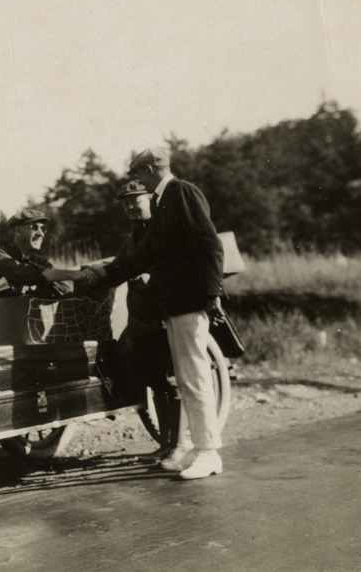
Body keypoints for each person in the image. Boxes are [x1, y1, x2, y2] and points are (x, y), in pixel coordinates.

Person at [123, 147, 225, 480]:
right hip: (174, 304)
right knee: (186, 378)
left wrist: (213, 293)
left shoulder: (181, 192)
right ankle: (199, 449)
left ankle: (208, 452)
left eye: (137, 172)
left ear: (150, 169)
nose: (136, 179)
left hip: (190, 302)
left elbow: (210, 244)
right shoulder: (161, 201)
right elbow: (149, 256)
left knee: (194, 377)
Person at [88, 180, 183, 460]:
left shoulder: (163, 230)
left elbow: (178, 266)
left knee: (169, 382)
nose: (130, 206)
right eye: (126, 203)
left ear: (150, 200)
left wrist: (153, 276)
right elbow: (118, 268)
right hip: (141, 321)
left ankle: (178, 446)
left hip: (163, 319)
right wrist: (90, 273)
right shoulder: (134, 237)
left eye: (135, 200)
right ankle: (165, 445)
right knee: (155, 384)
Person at [0, 208, 89, 298]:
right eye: (34, 227)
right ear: (18, 231)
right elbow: (22, 272)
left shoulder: (40, 261)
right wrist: (79, 275)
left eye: (43, 229)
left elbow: (63, 286)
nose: (40, 233)